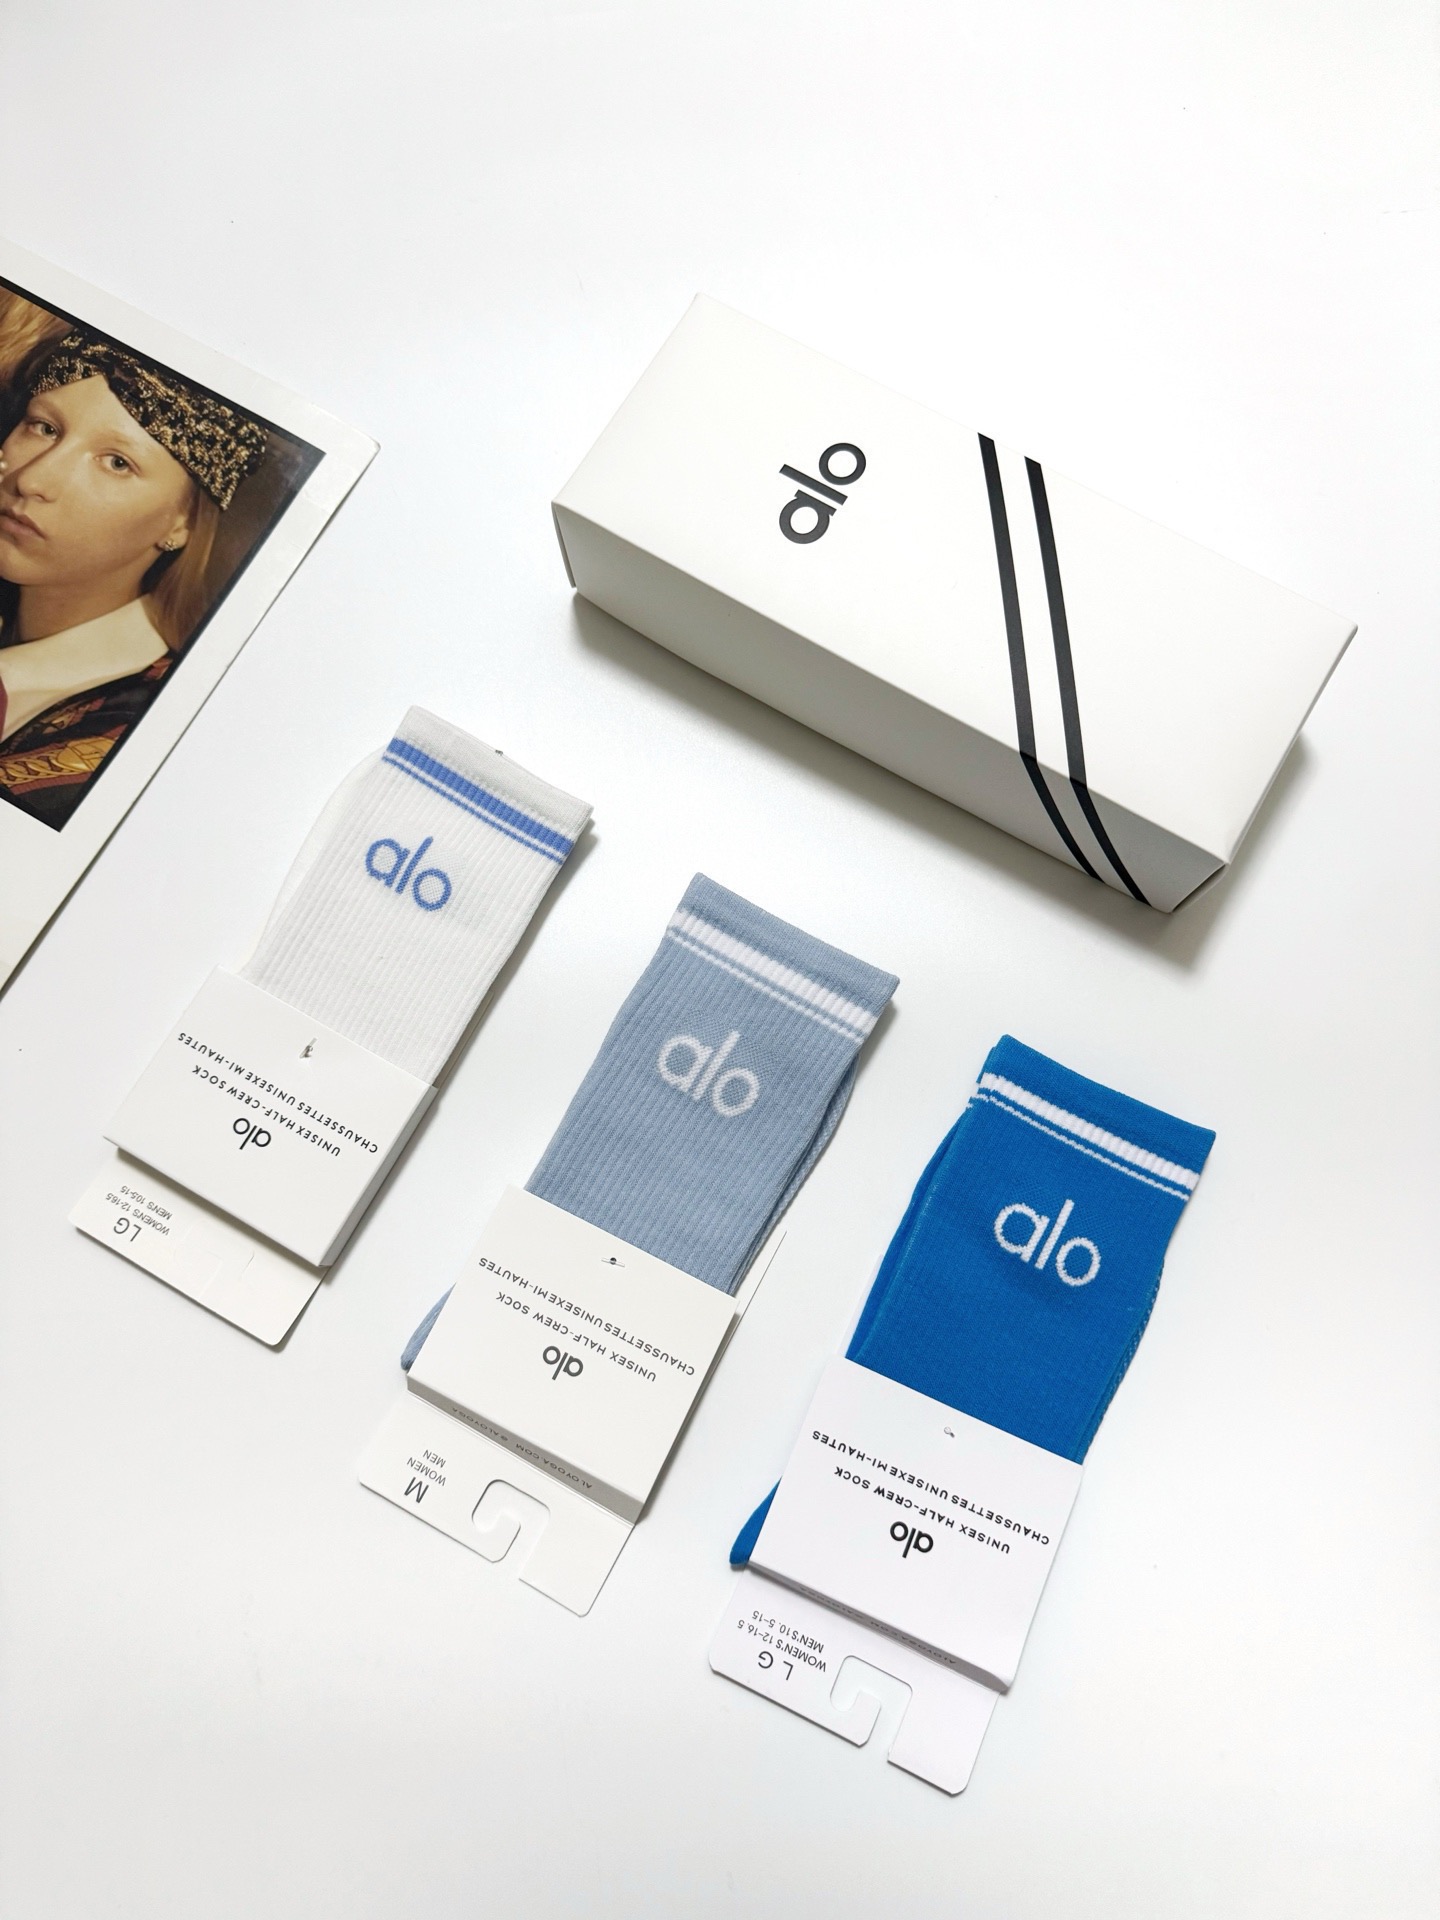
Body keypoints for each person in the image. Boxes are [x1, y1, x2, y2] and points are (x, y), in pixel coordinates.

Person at [0, 328, 267, 829]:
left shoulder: (129, 740)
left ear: (182, 524)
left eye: (117, 463)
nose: (32, 480)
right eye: (44, 427)